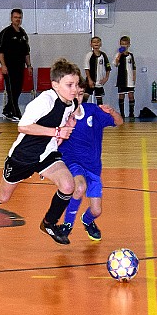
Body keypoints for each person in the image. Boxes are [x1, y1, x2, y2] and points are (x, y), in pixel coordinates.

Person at [0, 58, 80, 245]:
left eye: (76, 84)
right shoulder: (44, 101)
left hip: (46, 153)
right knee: (3, 196)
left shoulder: (71, 103)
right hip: (22, 156)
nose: (74, 89)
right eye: (70, 85)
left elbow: (70, 114)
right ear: (55, 85)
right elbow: (23, 127)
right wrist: (56, 132)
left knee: (67, 186)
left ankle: (49, 223)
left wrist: (69, 122)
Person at [59, 78, 123, 240]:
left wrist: (112, 111)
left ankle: (87, 221)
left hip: (93, 166)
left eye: (80, 94)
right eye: (73, 94)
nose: (76, 98)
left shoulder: (92, 111)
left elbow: (119, 122)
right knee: (79, 187)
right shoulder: (61, 115)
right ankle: (67, 225)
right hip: (72, 162)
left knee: (96, 211)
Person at [0, 8, 32, 122]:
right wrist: (3, 66)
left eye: (19, 17)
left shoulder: (23, 33)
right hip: (9, 67)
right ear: (11, 18)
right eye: (15, 17)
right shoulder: (6, 33)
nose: (17, 19)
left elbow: (26, 52)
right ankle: (16, 113)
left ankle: (7, 111)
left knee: (17, 90)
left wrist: (29, 66)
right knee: (11, 90)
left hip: (20, 67)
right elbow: (0, 52)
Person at [83, 36, 111, 105]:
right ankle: (82, 113)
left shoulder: (103, 55)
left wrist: (106, 78)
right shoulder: (89, 55)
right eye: (94, 42)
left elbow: (108, 68)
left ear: (100, 44)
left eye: (98, 42)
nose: (96, 43)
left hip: (100, 81)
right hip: (91, 80)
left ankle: (99, 114)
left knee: (99, 99)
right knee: (85, 97)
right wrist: (89, 79)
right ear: (91, 44)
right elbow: (87, 68)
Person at [114, 36, 136, 118]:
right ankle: (122, 113)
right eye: (122, 44)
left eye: (125, 44)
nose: (124, 46)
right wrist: (119, 55)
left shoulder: (131, 55)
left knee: (131, 95)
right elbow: (115, 64)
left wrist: (134, 77)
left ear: (128, 45)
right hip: (122, 78)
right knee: (121, 95)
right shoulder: (118, 55)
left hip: (129, 79)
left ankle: (131, 113)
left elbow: (133, 67)